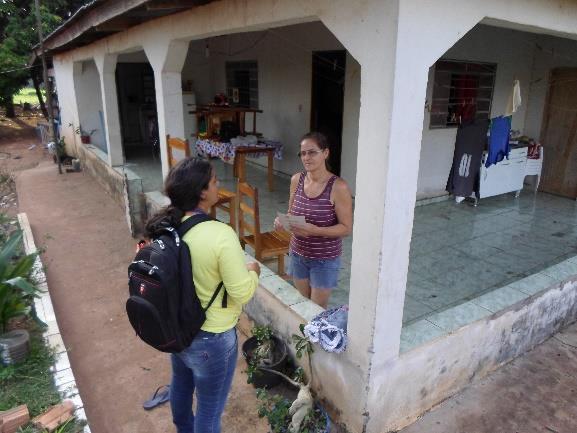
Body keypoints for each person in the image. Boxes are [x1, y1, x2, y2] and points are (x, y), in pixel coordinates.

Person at [146, 157, 260, 433]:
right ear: (202, 192)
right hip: (212, 338)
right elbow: (241, 291)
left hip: (177, 329)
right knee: (209, 413)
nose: (218, 184)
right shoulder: (220, 234)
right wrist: (253, 270)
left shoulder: (167, 226)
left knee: (181, 386)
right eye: (214, 181)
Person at [274, 132, 353, 308]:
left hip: (324, 258)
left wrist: (314, 230)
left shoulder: (338, 187)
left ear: (325, 153)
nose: (306, 158)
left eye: (312, 152)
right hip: (297, 253)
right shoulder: (296, 180)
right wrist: (283, 222)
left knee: (316, 310)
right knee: (303, 304)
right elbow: (290, 212)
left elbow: (346, 228)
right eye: (303, 153)